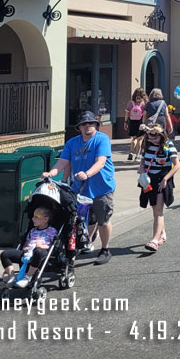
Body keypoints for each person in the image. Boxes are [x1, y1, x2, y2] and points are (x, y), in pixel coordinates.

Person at [44, 110, 116, 265]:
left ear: (96, 125)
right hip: (80, 189)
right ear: (79, 128)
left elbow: (101, 162)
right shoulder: (72, 143)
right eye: (84, 124)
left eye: (91, 123)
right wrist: (50, 173)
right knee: (80, 220)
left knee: (103, 220)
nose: (87, 126)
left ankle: (105, 249)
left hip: (101, 187)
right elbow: (62, 163)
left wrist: (87, 174)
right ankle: (85, 241)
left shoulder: (102, 139)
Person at [138, 125, 180, 251]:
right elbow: (143, 160)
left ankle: (154, 240)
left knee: (158, 210)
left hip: (162, 179)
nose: (152, 139)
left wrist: (166, 178)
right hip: (149, 180)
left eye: (155, 137)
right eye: (150, 137)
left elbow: (177, 165)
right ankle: (162, 234)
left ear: (161, 136)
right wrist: (141, 168)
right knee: (154, 208)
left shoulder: (168, 145)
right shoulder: (147, 145)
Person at [0, 206, 56, 288]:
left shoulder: (51, 231)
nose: (33, 219)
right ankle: (12, 277)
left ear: (45, 219)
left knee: (39, 251)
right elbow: (26, 244)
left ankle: (28, 276)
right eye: (33, 217)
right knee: (4, 254)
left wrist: (41, 246)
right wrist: (25, 248)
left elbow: (51, 246)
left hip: (41, 253)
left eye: (36, 217)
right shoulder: (32, 231)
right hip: (28, 253)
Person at [126, 88, 147, 161]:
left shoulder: (130, 103)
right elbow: (144, 114)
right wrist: (144, 124)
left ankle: (131, 152)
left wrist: (125, 122)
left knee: (134, 138)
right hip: (140, 122)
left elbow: (127, 113)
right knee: (140, 139)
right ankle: (137, 155)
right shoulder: (144, 103)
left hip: (132, 122)